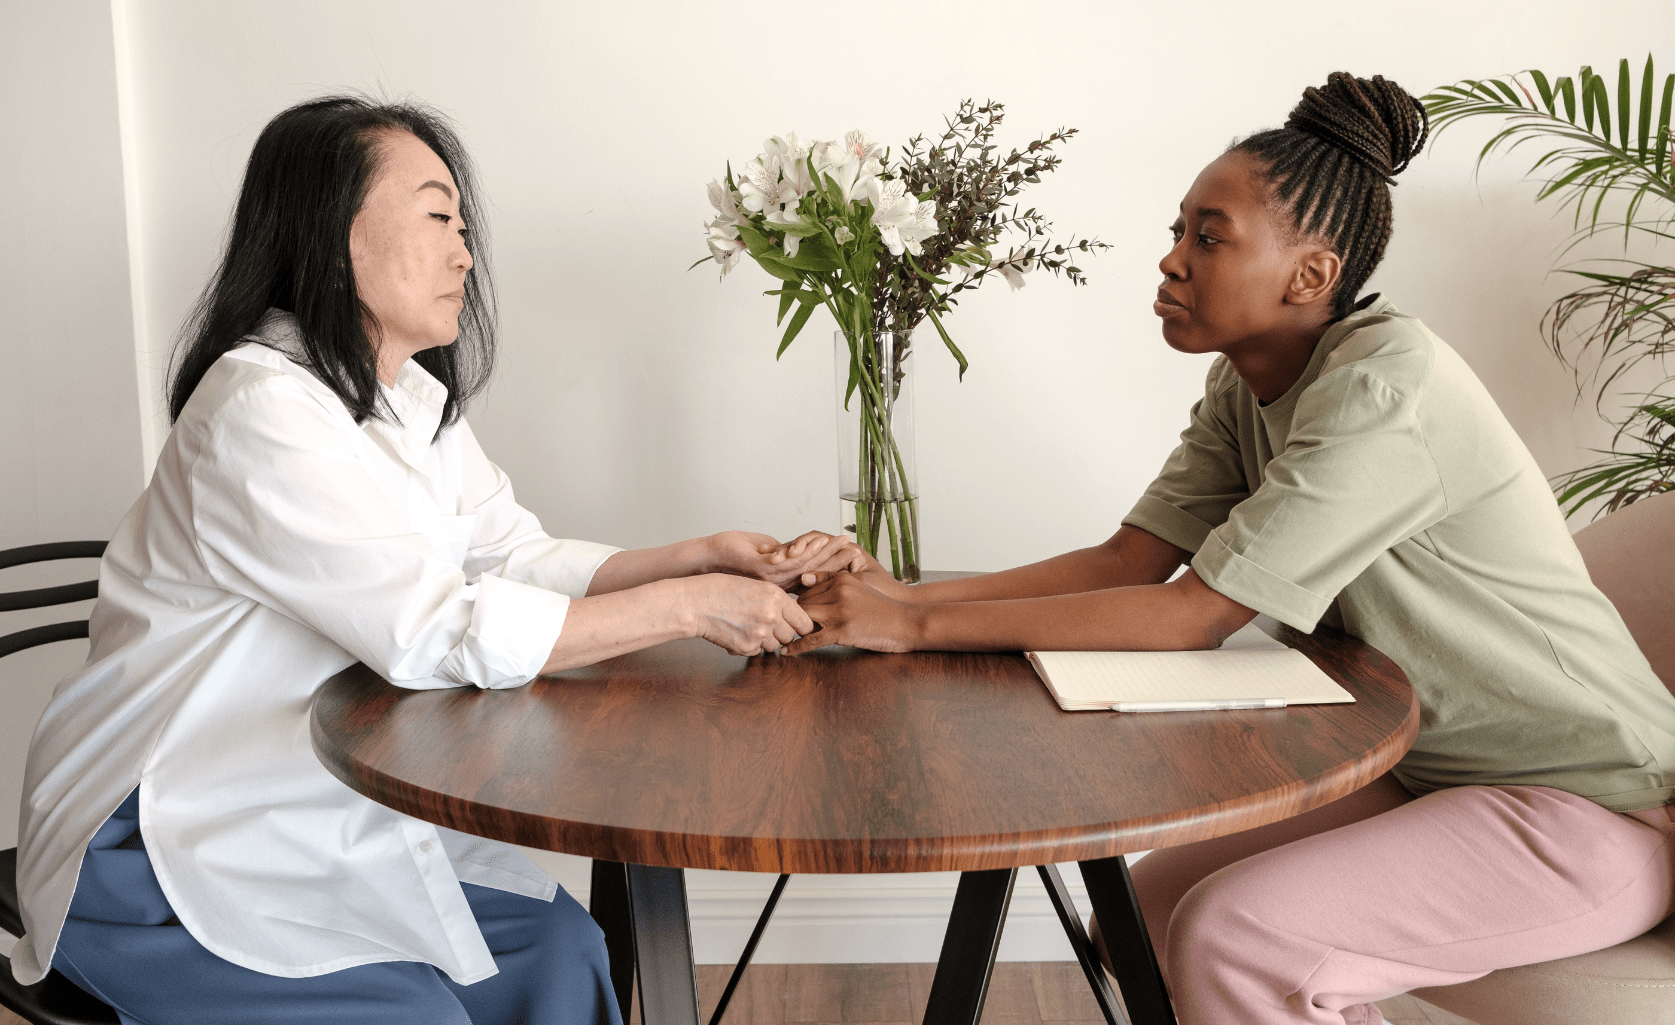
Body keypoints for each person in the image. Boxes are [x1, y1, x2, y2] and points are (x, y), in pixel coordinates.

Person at [787, 73, 1675, 1025]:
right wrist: (905, 596)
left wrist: (911, 626)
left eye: (1206, 238)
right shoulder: (1246, 382)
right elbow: (1126, 562)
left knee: (1234, 935)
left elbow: (1194, 615)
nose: (1170, 261)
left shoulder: (1382, 390)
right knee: (1146, 909)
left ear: (1310, 275)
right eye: (1177, 232)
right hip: (1434, 777)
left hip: (1592, 809)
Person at [11, 96, 854, 1025]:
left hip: (318, 811)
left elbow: (507, 555)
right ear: (332, 236)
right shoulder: (259, 410)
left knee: (566, 952)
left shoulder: (406, 399)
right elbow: (434, 630)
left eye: (463, 224)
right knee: (418, 1014)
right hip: (161, 835)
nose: (464, 252)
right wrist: (691, 606)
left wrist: (699, 557)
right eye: (437, 217)